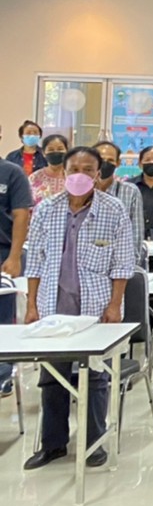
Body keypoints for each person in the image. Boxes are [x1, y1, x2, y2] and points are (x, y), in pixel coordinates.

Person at [21, 146, 134, 469]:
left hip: (95, 308)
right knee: (52, 377)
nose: (80, 175)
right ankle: (53, 444)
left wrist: (115, 305)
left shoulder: (113, 210)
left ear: (98, 175)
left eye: (88, 170)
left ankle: (93, 443)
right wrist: (32, 305)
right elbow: (35, 262)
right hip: (52, 306)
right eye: (74, 169)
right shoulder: (47, 209)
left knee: (95, 376)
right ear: (64, 172)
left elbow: (123, 263)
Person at [0, 156, 32, 397]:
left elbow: (21, 215)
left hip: (2, 253)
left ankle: (3, 375)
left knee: (2, 319)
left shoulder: (12, 173)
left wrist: (15, 256)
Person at [93, 141, 146, 268]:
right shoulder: (81, 191)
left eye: (110, 160)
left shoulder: (130, 191)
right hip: (87, 264)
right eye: (101, 159)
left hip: (118, 264)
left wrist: (130, 267)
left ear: (118, 163)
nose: (105, 163)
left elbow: (136, 234)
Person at [29, 133, 70, 205]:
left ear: (67, 151)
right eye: (51, 149)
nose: (55, 152)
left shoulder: (73, 177)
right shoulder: (34, 177)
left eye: (60, 149)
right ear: (44, 153)